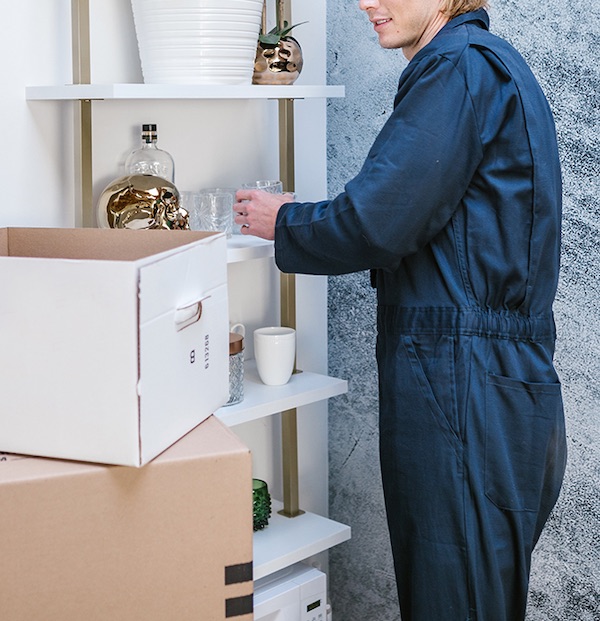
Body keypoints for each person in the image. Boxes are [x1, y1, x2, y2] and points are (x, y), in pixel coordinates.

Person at [234, 0, 567, 619]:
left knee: (453, 603)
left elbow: (379, 222)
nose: (369, 2)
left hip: (462, 385)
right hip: (502, 384)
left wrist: (286, 221)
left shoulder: (456, 69)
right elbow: (417, 208)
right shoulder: (496, 67)